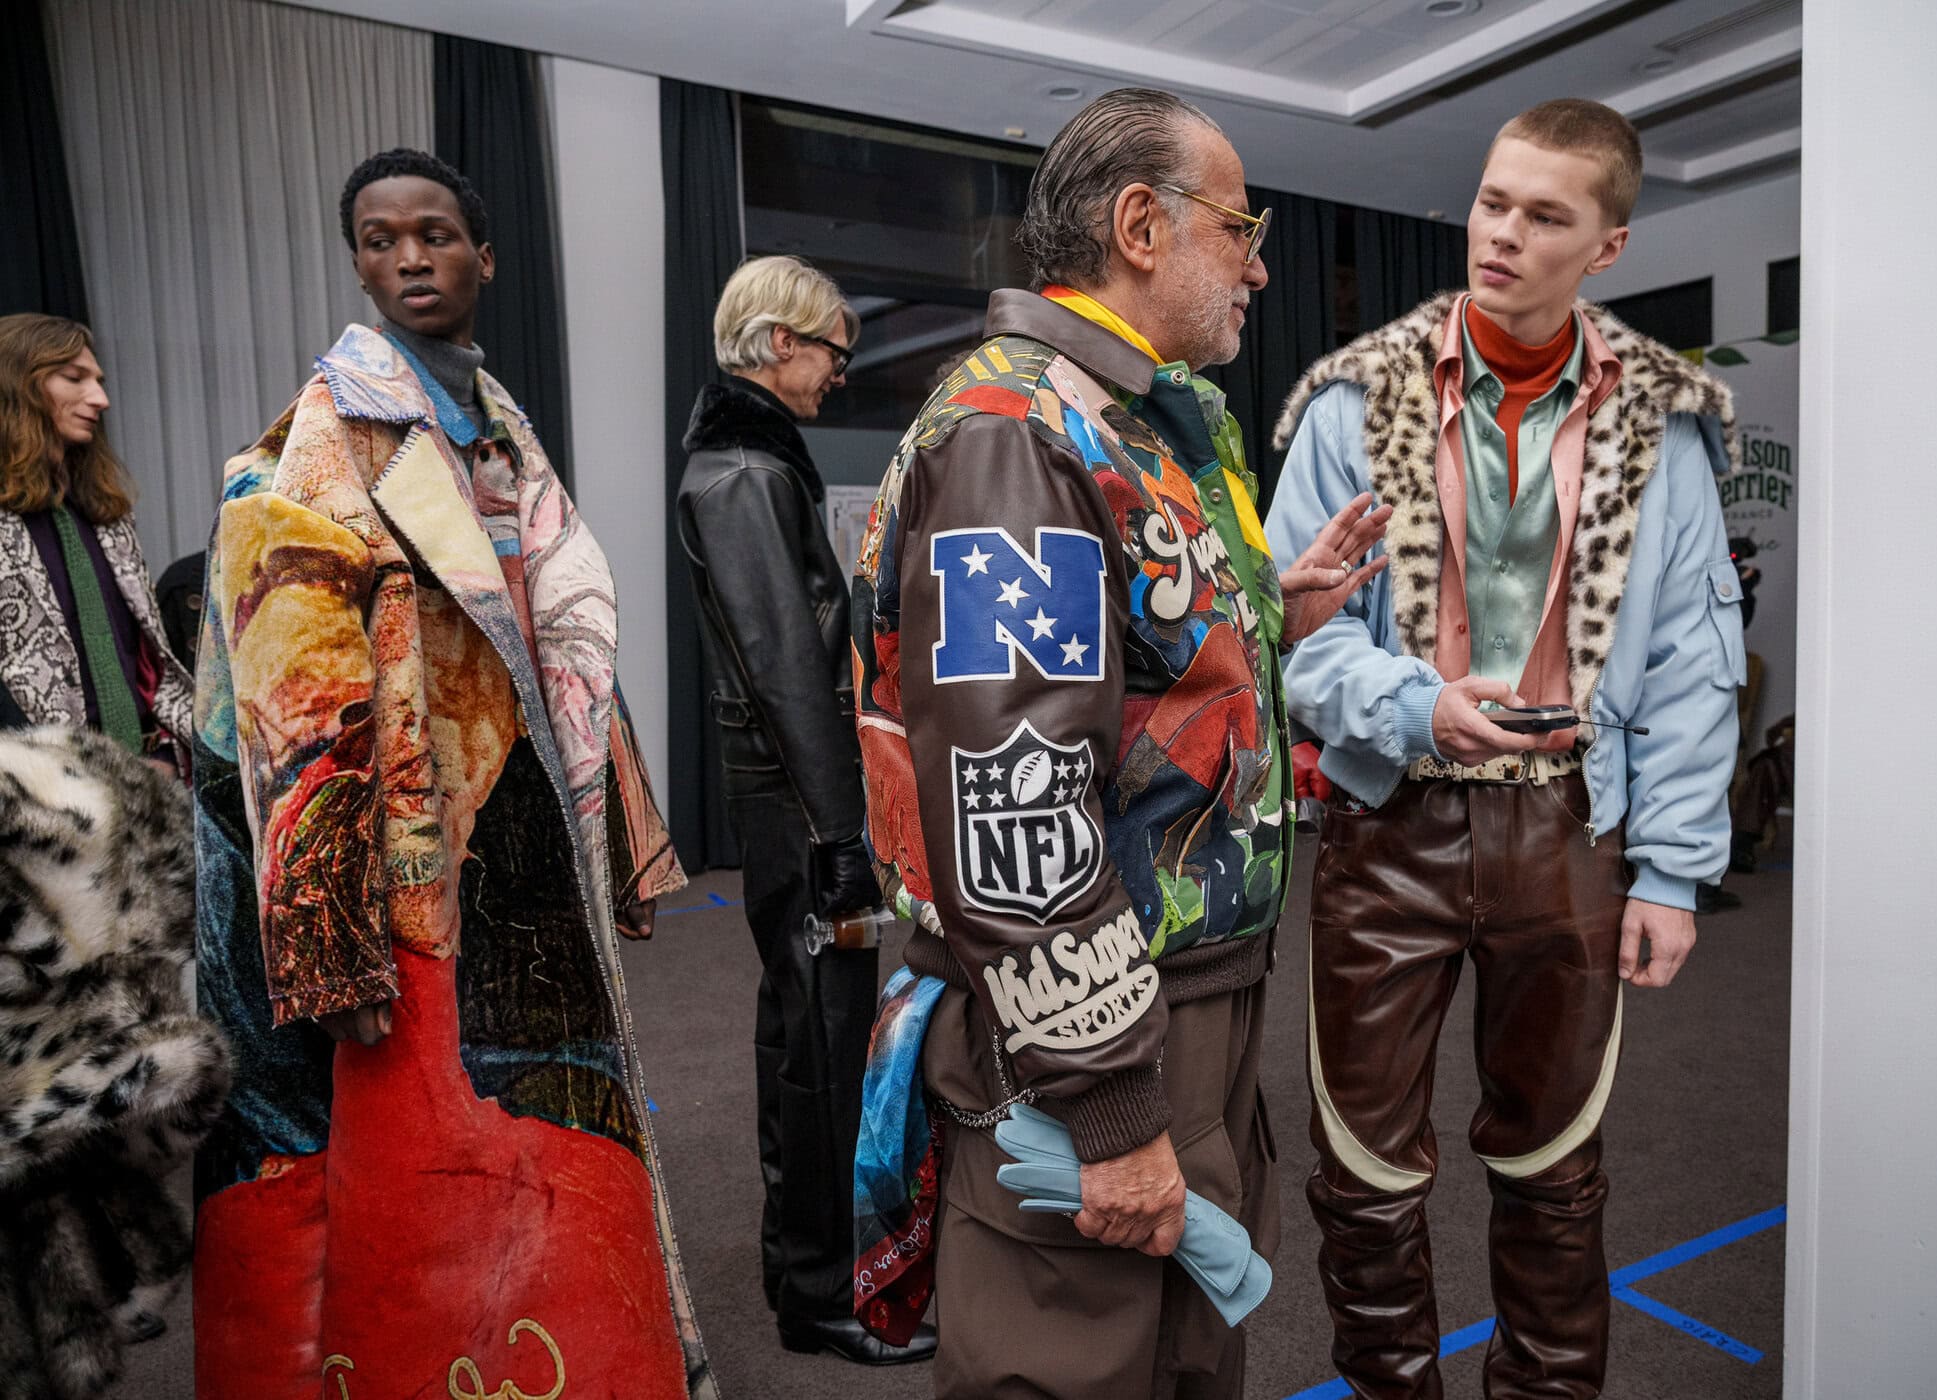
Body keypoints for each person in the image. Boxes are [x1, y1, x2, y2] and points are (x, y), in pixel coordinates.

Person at [852, 87, 1386, 1398]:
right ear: (1142, 225)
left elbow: (1126, 684)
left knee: (1172, 1354)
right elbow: (1008, 789)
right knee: (1075, 1359)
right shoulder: (1013, 432)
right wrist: (1106, 1104)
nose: (1260, 262)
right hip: (1084, 1024)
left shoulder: (1129, 412)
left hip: (1169, 1002)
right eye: (1239, 225)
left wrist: (1271, 615)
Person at [188, 149, 717, 1398]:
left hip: (512, 843)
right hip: (409, 856)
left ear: (484, 254)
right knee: (414, 1174)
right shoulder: (325, 436)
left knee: (535, 1150)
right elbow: (288, 691)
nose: (408, 258)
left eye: (433, 235)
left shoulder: (492, 418)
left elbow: (561, 635)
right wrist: (327, 931)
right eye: (378, 240)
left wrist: (616, 840)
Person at [1266, 98, 1744, 1397]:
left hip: (1572, 832)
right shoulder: (1351, 407)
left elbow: (1698, 661)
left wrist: (1671, 871)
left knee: (1555, 1170)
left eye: (1545, 216)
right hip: (1389, 827)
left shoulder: (1661, 433)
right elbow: (1300, 642)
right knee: (1360, 1179)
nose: (1504, 234)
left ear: (1608, 247)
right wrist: (1419, 706)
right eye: (1492, 201)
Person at [674, 254, 935, 1365]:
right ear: (778, 344)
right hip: (802, 804)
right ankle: (821, 1295)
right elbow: (790, 671)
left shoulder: (744, 459)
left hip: (790, 797)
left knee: (801, 1031)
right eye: (832, 345)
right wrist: (844, 838)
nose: (842, 367)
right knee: (822, 1038)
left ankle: (802, 1267)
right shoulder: (743, 473)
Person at [0, 313, 192, 764]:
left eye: (99, 380)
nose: (100, 399)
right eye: (74, 378)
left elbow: (149, 661)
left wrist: (162, 759)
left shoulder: (106, 516)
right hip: (34, 794)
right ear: (16, 385)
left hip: (135, 788)